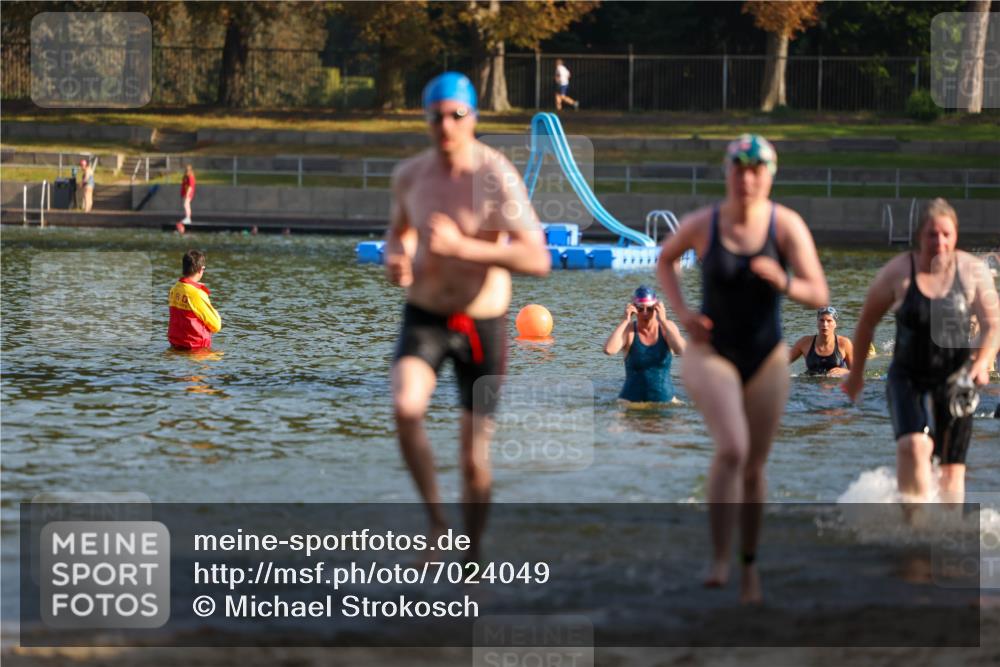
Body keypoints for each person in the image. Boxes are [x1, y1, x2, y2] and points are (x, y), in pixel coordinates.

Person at [385, 72, 550, 563]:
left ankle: (472, 555)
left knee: (473, 460)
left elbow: (537, 258)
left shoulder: (495, 176)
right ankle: (437, 524)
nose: (445, 125)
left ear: (473, 118)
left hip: (482, 324)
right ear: (425, 119)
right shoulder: (410, 176)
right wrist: (398, 259)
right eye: (435, 116)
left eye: (456, 115)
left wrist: (463, 247)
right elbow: (399, 234)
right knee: (405, 408)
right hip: (427, 313)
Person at [657, 134, 829, 603]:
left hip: (768, 356)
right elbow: (665, 260)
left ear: (770, 175)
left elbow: (818, 290)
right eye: (739, 168)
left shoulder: (785, 226)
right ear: (727, 172)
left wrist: (786, 282)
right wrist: (683, 313)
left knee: (753, 467)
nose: (747, 178)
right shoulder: (704, 223)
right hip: (711, 353)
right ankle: (718, 556)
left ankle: (748, 565)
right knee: (732, 448)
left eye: (757, 170)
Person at [843, 198, 999, 504]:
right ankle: (912, 526)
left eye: (946, 234)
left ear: (955, 236)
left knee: (951, 473)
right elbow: (866, 325)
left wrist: (982, 362)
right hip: (907, 376)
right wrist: (856, 375)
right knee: (913, 447)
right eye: (932, 234)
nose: (939, 241)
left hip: (957, 377)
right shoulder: (898, 271)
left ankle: (945, 536)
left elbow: (992, 325)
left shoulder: (973, 271)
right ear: (919, 236)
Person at [603, 286, 685, 402]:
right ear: (634, 309)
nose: (645, 313)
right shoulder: (629, 330)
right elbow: (609, 350)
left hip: (665, 403)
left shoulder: (667, 328)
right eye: (640, 309)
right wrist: (625, 321)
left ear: (657, 308)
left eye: (650, 309)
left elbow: (683, 351)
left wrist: (663, 321)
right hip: (631, 403)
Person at [168, 249, 222, 351]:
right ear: (201, 269)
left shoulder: (174, 288)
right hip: (196, 350)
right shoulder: (197, 294)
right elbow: (216, 325)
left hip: (176, 346)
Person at [788, 306, 854, 377]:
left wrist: (846, 372)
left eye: (829, 321)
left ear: (835, 324)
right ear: (817, 322)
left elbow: (857, 372)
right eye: (821, 320)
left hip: (836, 386)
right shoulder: (804, 342)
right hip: (810, 384)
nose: (825, 324)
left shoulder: (845, 343)